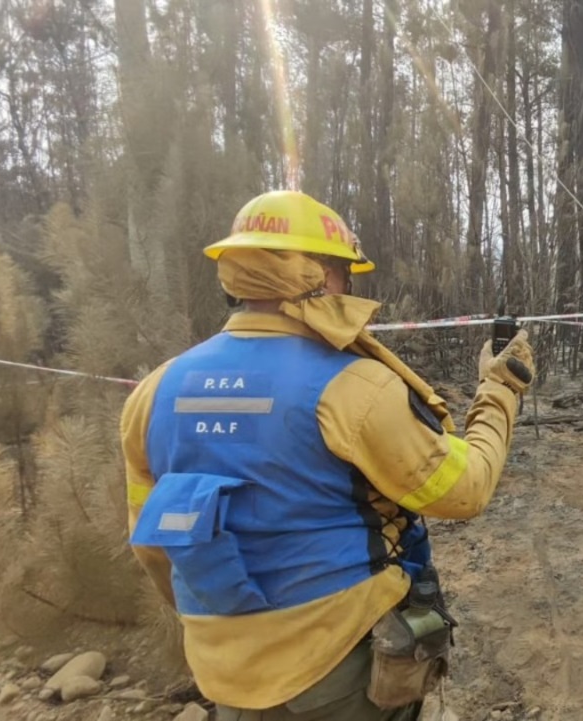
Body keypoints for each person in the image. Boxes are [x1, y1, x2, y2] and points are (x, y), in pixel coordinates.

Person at [120, 190, 534, 720]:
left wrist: (226, 629)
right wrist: (500, 390)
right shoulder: (351, 386)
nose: (348, 284)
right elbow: (465, 489)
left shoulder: (153, 392)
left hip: (226, 674)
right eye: (343, 270)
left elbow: (151, 546)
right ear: (315, 274)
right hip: (339, 669)